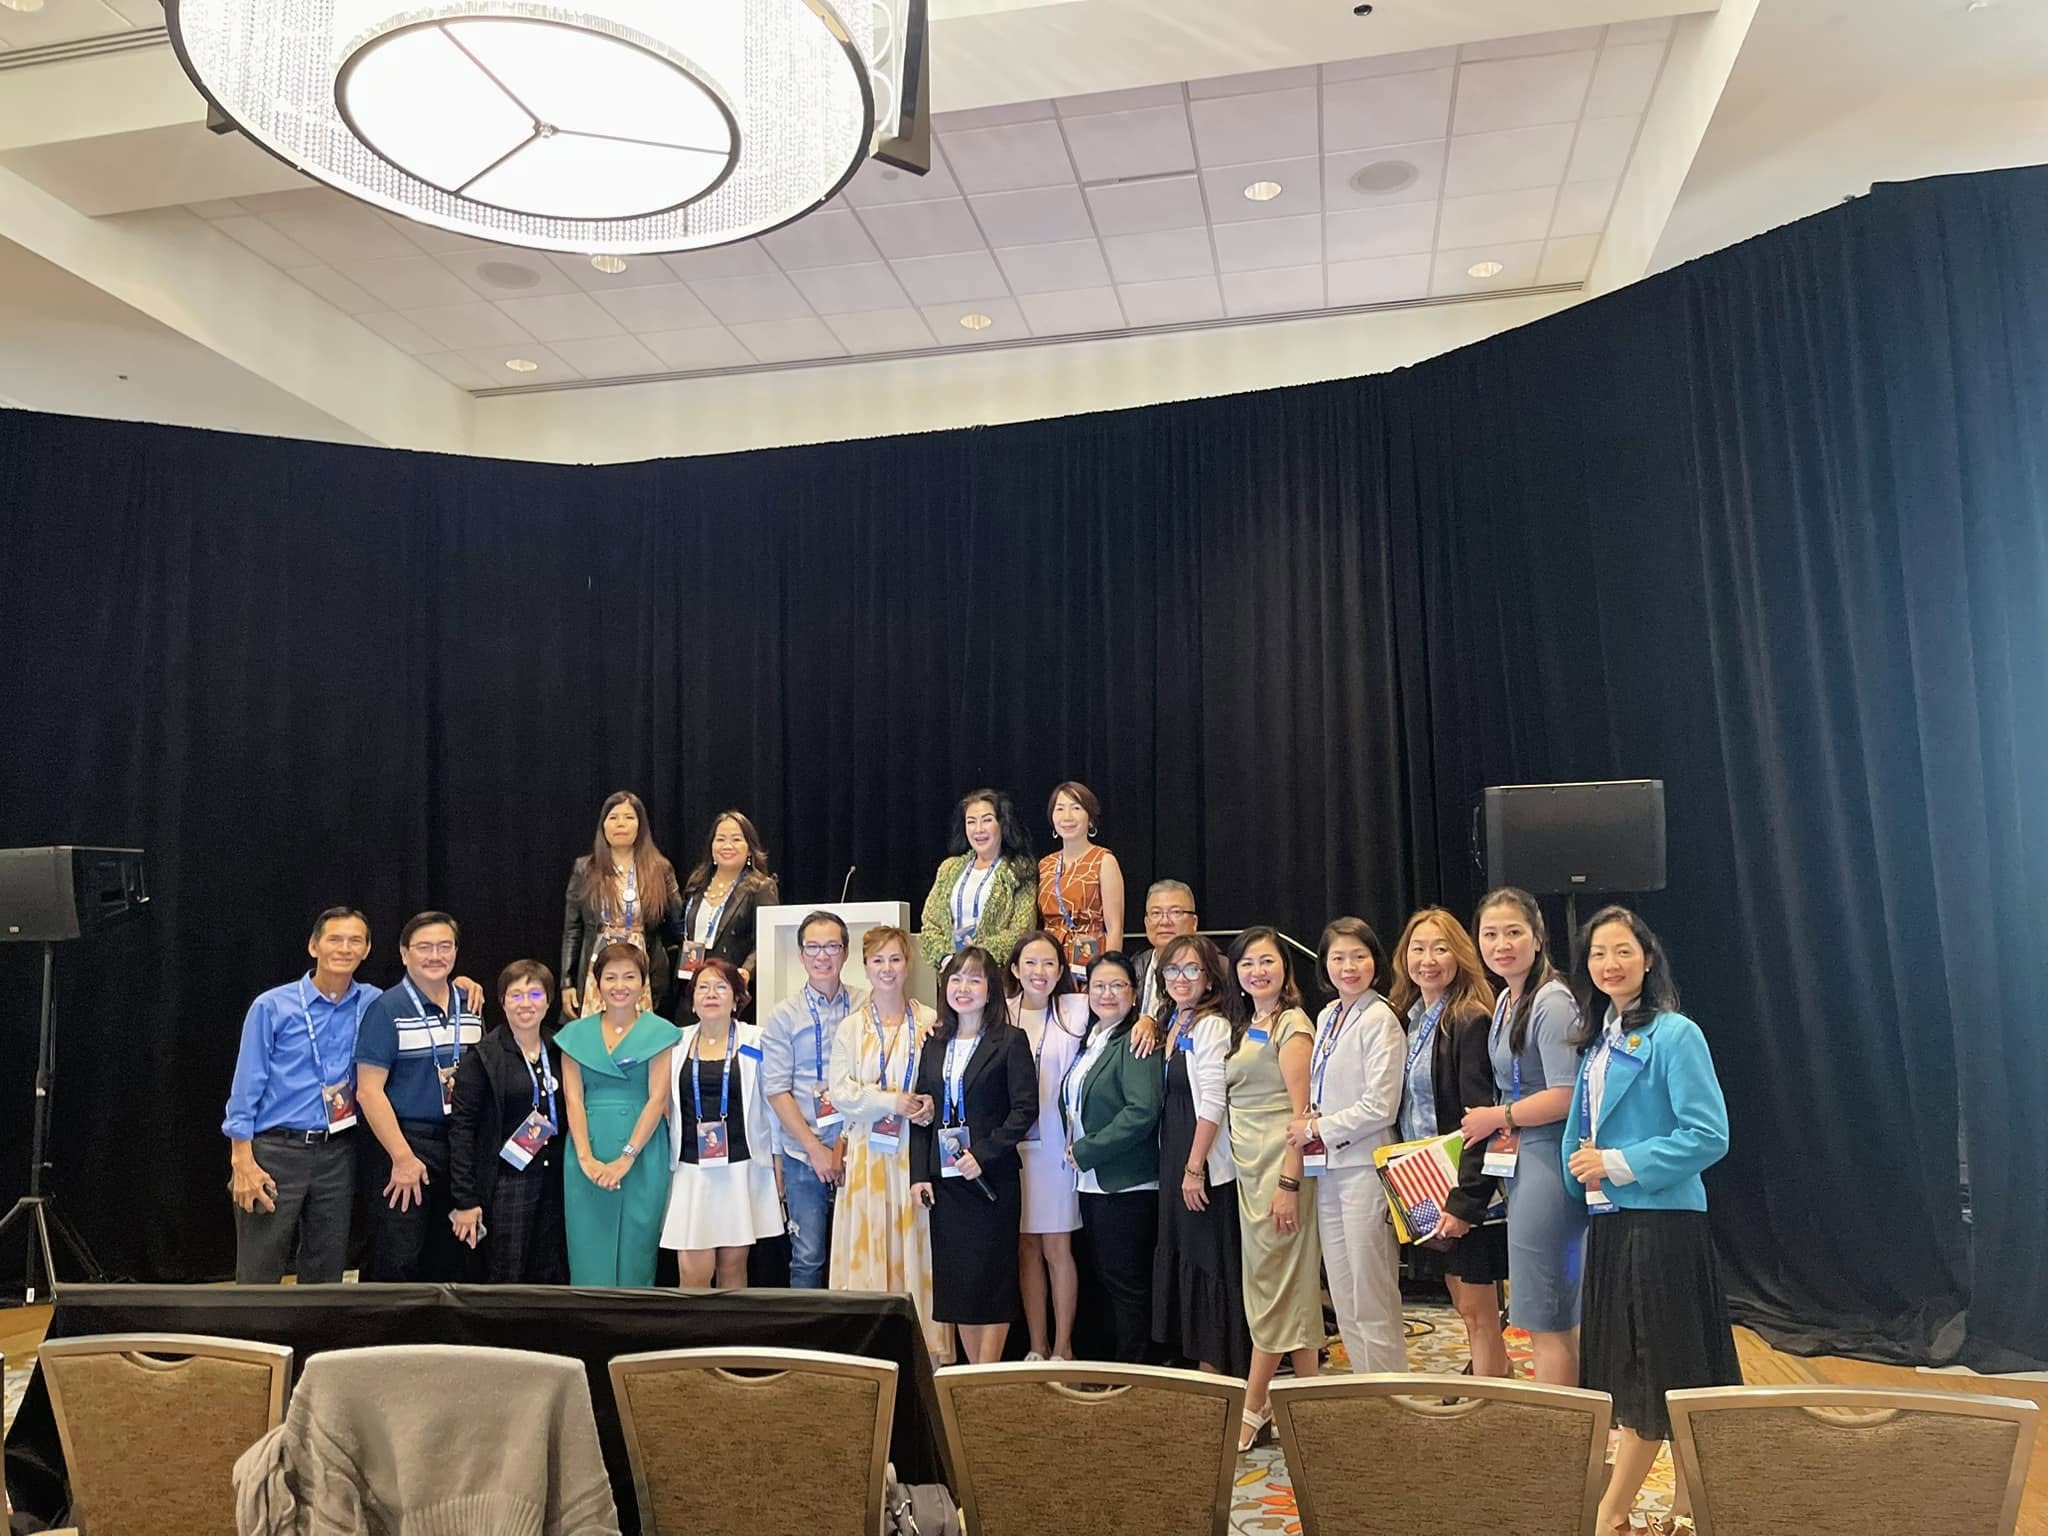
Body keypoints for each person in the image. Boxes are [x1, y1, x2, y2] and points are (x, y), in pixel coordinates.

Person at [1562, 907, 1738, 1534]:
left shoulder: (1675, 1034)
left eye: (1622, 951)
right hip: (1612, 1221)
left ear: (1648, 957)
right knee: (1664, 1367)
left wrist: (1616, 1163)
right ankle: (1689, 1508)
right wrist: (1580, 1173)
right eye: (1597, 954)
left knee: (1651, 1368)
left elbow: (1709, 1135)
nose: (1610, 964)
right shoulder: (1599, 1040)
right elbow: (1582, 1130)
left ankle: (1610, 1513)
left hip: (1661, 1224)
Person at [1464, 888, 1588, 1385]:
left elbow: (1565, 1094)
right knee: (1545, 1309)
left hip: (1548, 1160)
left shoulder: (1552, 1002)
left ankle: (1558, 1425)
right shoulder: (1504, 998)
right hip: (1522, 1161)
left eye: (1513, 932)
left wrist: (1498, 1115)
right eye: (1490, 934)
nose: (1501, 944)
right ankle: (1568, 1420)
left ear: (1537, 938)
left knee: (1546, 1313)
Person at [1387, 908, 1510, 1375]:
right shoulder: (1412, 1019)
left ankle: (1490, 1404)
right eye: (1418, 949)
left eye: (1440, 949)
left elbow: (1478, 1119)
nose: (1428, 960)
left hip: (1465, 1188)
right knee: (1464, 1307)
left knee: (1479, 1312)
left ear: (1459, 955)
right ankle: (1500, 1381)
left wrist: (1465, 1202)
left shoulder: (1469, 1018)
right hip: (1427, 1184)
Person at [223, 908, 373, 1286]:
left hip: (338, 1152)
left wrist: (464, 985)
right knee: (259, 1270)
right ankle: (255, 1330)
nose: (344, 948)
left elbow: (423, 993)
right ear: (313, 946)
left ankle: (317, 1329)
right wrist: (242, 1158)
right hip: (275, 1151)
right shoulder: (272, 1006)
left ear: (367, 950)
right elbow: (246, 1083)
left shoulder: (374, 1002)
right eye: (334, 939)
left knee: (326, 1270)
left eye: (355, 940)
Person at [1286, 919, 1405, 1373]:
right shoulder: (1328, 1015)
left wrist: (1317, 1128)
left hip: (1364, 1168)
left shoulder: (1381, 1019)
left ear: (1375, 961)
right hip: (1330, 1169)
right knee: (1343, 1292)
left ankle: (1391, 1394)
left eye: (1358, 956)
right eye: (1338, 958)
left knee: (1372, 1292)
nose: (1348, 967)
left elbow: (1380, 1107)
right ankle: (1362, 1390)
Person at [910, 947, 1037, 1364]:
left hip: (991, 1180)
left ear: (991, 990)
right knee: (959, 1284)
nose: (963, 988)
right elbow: (922, 1113)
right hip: (945, 1183)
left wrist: (982, 1154)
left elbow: (1025, 1110)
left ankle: (986, 1373)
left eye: (974, 980)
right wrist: (919, 1174)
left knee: (992, 1279)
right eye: (956, 979)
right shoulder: (933, 1043)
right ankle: (968, 1379)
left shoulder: (1010, 1040)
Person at [829, 925, 948, 1360]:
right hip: (867, 1155)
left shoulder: (931, 1021)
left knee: (918, 1244)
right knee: (867, 1242)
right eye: (877, 960)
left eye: (895, 959)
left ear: (908, 963)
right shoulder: (851, 1028)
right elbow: (840, 1092)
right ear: (864, 967)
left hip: (914, 1155)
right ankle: (867, 1353)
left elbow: (945, 1081)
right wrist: (889, 1101)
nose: (887, 969)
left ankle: (925, 1352)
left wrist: (929, 1105)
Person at [1224, 927, 1321, 1451]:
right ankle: (1307, 1409)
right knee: (1288, 1286)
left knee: (1273, 1285)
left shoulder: (1292, 1024)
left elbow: (1301, 1114)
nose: (1257, 971)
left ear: (1285, 966)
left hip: (1281, 1172)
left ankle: (1254, 1401)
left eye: (1267, 961)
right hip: (1250, 1168)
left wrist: (1289, 1182)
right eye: (1247, 963)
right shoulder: (1247, 1024)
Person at [354, 911, 486, 1283]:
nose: (435, 956)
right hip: (406, 1144)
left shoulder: (471, 1004)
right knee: (399, 1257)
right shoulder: (387, 1009)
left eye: (445, 946)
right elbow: (368, 1091)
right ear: (404, 953)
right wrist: (402, 1158)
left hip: (459, 1144)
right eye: (424, 947)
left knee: (451, 1256)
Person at [1150, 934, 1251, 1377]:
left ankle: (1218, 1373)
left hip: (1202, 1161)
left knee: (1210, 1263)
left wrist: (1195, 1168)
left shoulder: (1212, 1026)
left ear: (1210, 978)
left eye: (1192, 969)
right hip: (1173, 1154)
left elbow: (1213, 1101)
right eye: (1173, 970)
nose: (1181, 978)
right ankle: (1200, 1367)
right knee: (1186, 1256)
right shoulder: (1173, 1020)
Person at [555, 942, 682, 1287]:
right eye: (610, 977)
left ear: (643, 982)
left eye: (629, 976)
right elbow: (573, 1099)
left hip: (642, 1150)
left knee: (637, 1250)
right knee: (588, 1250)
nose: (619, 985)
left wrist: (626, 1158)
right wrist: (586, 1158)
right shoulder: (574, 1035)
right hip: (588, 1148)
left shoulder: (660, 1032)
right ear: (597, 983)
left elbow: (657, 1099)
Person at [1063, 951, 1164, 1364]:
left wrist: (1087, 1150)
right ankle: (1118, 1369)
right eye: (1099, 986)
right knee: (1108, 1281)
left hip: (1126, 1183)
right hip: (1092, 1182)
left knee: (1127, 1285)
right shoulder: (1091, 1040)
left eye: (1118, 985)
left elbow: (1142, 1111)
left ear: (1134, 993)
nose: (1107, 994)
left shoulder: (1136, 1039)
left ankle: (1135, 1376)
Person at [662, 958, 785, 1287]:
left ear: (737, 998)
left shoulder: (757, 1041)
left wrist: (778, 1160)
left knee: (733, 1268)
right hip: (691, 1168)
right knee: (693, 1273)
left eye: (721, 987)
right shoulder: (674, 1042)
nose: (711, 994)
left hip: (741, 1167)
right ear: (692, 1000)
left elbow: (773, 1103)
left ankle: (733, 1324)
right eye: (703, 987)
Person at [448, 960, 569, 1283]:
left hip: (556, 1180)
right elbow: (462, 1130)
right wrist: (465, 1199)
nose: (526, 1003)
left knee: (550, 1273)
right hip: (508, 1182)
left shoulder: (562, 1049)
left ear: (549, 1000)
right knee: (507, 1274)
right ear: (502, 1002)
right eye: (516, 995)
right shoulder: (484, 1056)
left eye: (535, 994)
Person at [762, 909, 863, 1288]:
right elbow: (777, 1090)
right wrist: (816, 1150)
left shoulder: (866, 1005)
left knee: (860, 1252)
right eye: (813, 947)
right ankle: (808, 1329)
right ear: (801, 954)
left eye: (832, 946)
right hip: (804, 1154)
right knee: (808, 1257)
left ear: (846, 952)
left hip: (859, 1149)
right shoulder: (783, 1016)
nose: (823, 956)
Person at [1008, 931, 1089, 1361]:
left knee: (1058, 1246)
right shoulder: (1002, 1012)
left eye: (1048, 963)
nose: (1039, 972)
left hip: (1060, 1145)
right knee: (1026, 1248)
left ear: (1061, 971)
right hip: (1015, 1146)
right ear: (1015, 969)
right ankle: (1037, 1346)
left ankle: (1064, 1347)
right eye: (1030, 963)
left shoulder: (1076, 1008)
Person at [559, 790, 685, 1019]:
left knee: (641, 1033)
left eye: (628, 817)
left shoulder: (660, 868)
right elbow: (573, 930)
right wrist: (567, 982)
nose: (620, 824)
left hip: (644, 965)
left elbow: (680, 927)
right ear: (603, 825)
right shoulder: (585, 868)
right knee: (597, 1034)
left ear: (640, 825)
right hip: (597, 964)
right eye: (613, 817)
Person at [917, 788, 1038, 968]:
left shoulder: (1020, 869)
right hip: (952, 972)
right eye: (971, 822)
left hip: (997, 973)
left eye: (987, 820)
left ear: (1002, 823)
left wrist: (978, 958)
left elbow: (1022, 930)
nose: (978, 829)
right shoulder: (949, 868)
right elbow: (930, 924)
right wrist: (946, 959)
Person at [677, 809, 781, 1000]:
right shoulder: (697, 883)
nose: (727, 845)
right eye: (720, 839)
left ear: (749, 849)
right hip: (694, 984)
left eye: (736, 839)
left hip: (733, 987)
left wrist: (747, 971)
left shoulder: (760, 887)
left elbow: (766, 940)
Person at [1036, 782, 1125, 972]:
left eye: (1076, 808)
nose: (1067, 816)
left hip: (1091, 955)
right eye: (1060, 809)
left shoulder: (1104, 860)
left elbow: (1115, 927)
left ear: (1090, 818)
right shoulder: (1045, 864)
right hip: (1050, 957)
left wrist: (1109, 971)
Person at [1131, 879, 1199, 1023]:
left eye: (1175, 912)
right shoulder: (1135, 966)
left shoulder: (1208, 968)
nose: (1165, 921)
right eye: (1156, 913)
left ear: (1194, 923)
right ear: (1146, 922)